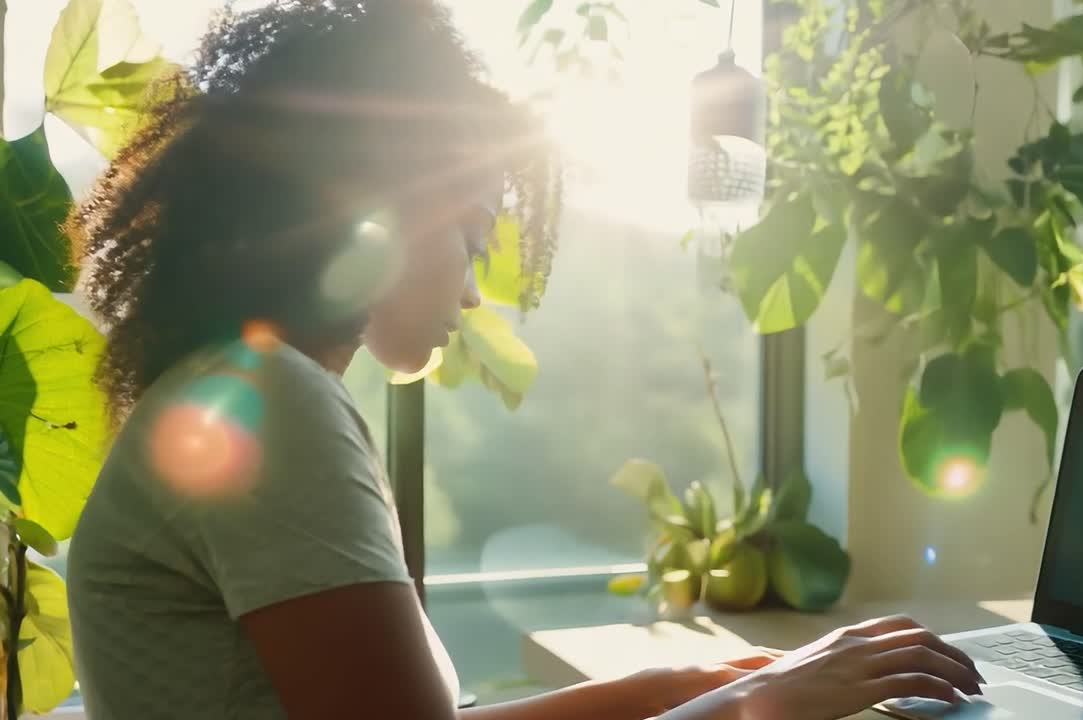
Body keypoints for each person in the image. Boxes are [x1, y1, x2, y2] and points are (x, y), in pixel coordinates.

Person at [65, 1, 983, 718]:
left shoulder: (233, 385)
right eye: (470, 239)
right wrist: (759, 705)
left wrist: (681, 683)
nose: (472, 294)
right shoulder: (272, 399)